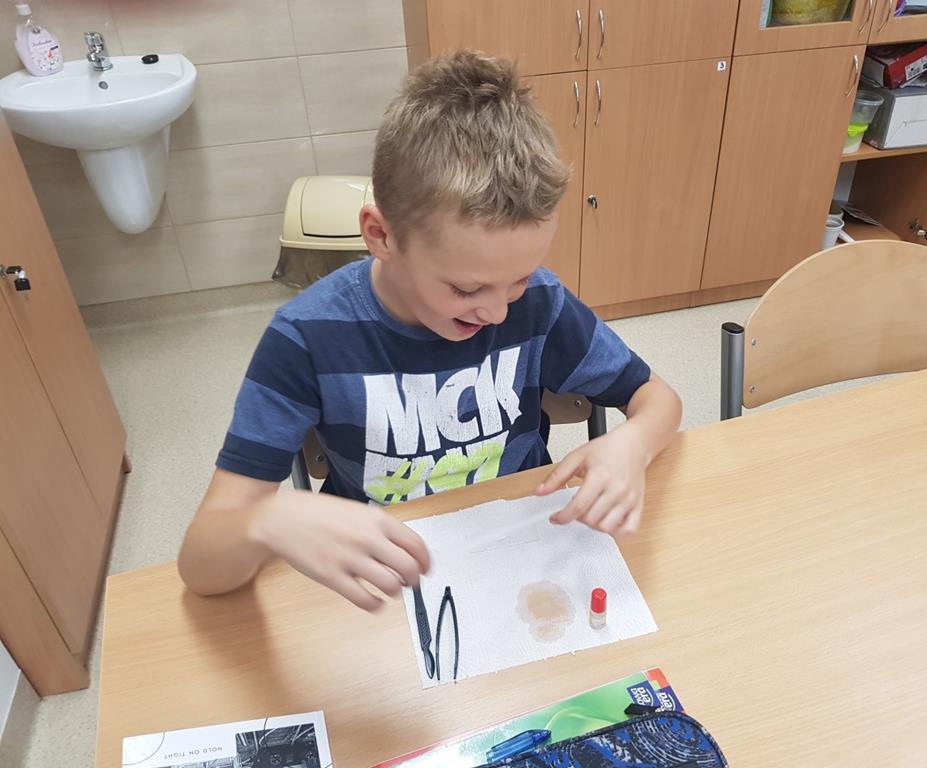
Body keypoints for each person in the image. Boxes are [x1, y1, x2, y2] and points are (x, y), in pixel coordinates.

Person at [178, 51, 682, 611]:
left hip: (521, 550)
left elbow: (657, 398)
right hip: (388, 577)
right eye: (467, 289)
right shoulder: (306, 339)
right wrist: (264, 519)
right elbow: (201, 568)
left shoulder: (538, 303)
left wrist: (632, 443)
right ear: (381, 236)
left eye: (517, 278)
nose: (497, 313)